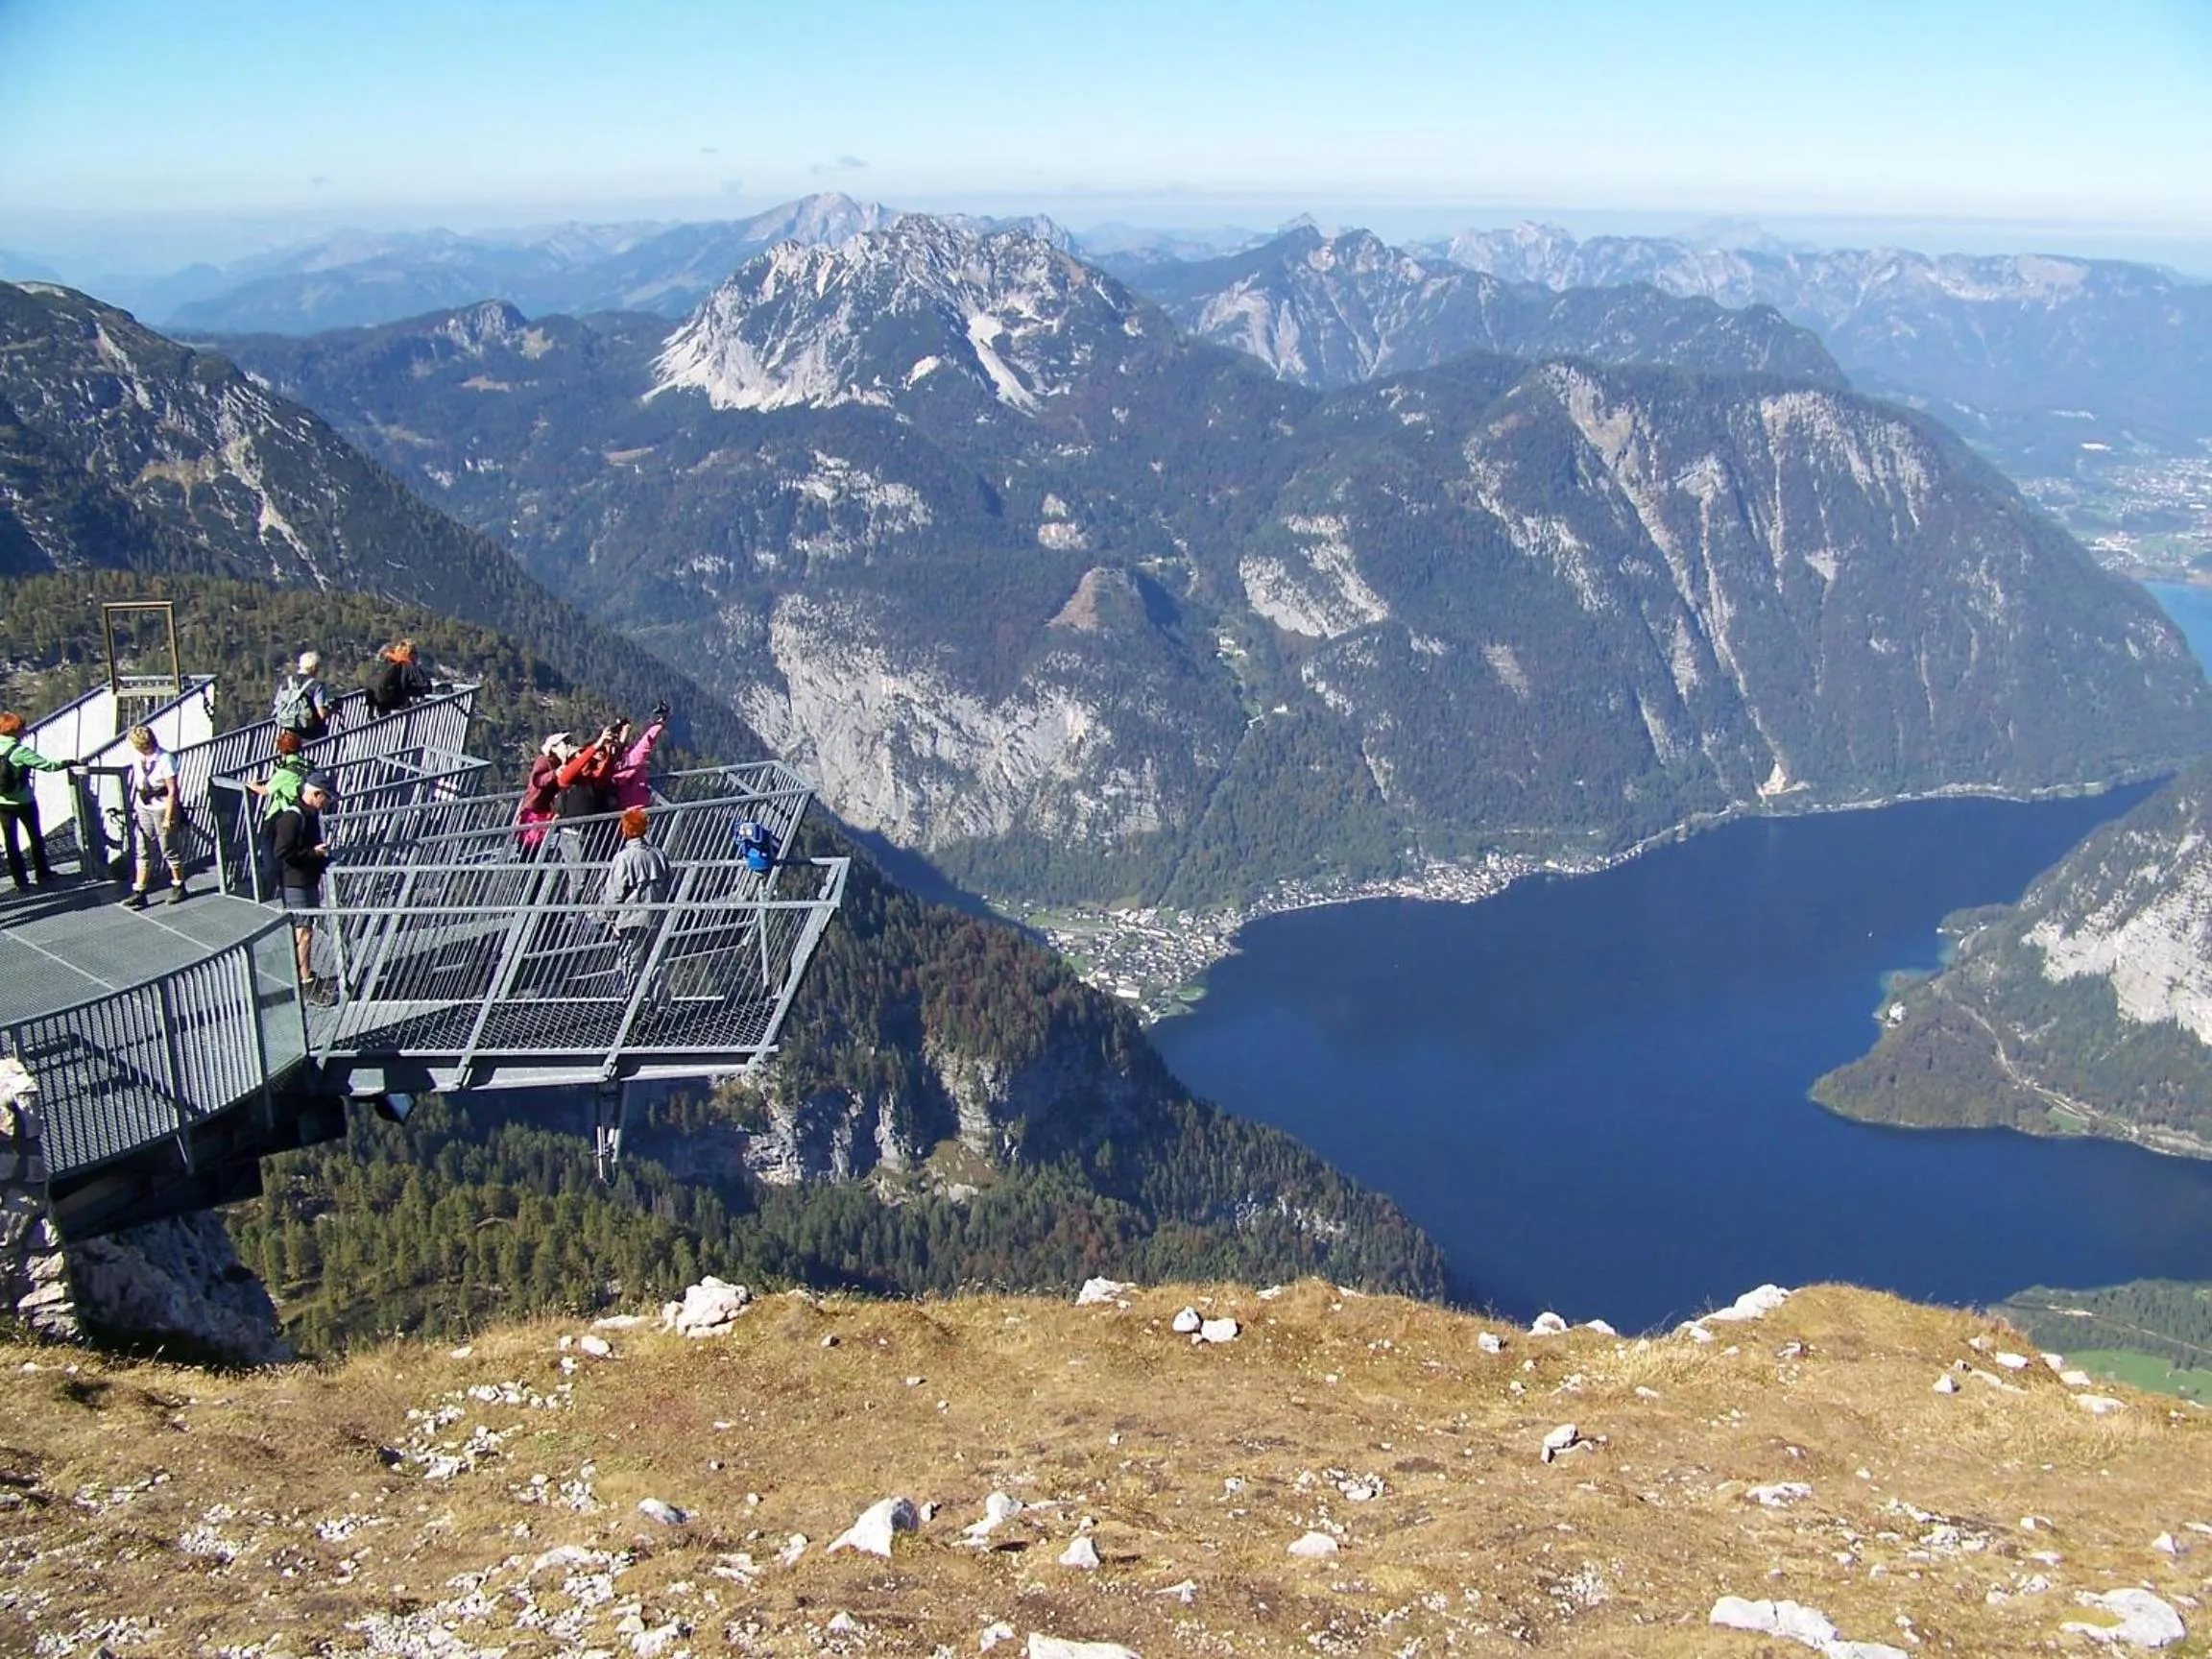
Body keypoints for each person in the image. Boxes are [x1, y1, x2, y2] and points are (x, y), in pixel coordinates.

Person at [266, 771, 335, 1003]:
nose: (326, 803)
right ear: (315, 794)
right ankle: (305, 981)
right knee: (303, 932)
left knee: (306, 930)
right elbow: (282, 853)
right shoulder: (292, 818)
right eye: (325, 797)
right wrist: (313, 853)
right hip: (296, 882)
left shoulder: (308, 815)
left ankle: (305, 973)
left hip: (306, 879)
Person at [600, 805, 673, 1016]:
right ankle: (660, 1004)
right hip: (656, 916)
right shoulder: (658, 854)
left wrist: (608, 916)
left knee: (632, 962)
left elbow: (614, 893)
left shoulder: (623, 858)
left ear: (624, 830)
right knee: (656, 960)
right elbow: (669, 882)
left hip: (631, 919)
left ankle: (635, 1004)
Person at [0, 711, 72, 893]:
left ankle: (21, 881)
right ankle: (43, 873)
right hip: (24, 801)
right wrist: (66, 763)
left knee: (11, 842)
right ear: (15, 730)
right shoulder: (19, 751)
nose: (25, 730)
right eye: (23, 728)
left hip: (2, 802)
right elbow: (48, 766)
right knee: (35, 837)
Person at [121, 726, 187, 908]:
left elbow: (172, 790)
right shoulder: (138, 757)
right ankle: (140, 890)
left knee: (168, 848)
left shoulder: (165, 759)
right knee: (143, 848)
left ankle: (179, 885)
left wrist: (168, 817)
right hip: (144, 805)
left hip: (161, 806)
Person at [515, 732, 571, 853]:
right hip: (535, 813)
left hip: (546, 813)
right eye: (565, 743)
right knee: (531, 848)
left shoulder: (561, 763)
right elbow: (537, 780)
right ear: (554, 747)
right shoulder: (544, 761)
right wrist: (554, 774)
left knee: (541, 848)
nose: (568, 746)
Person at [610, 701, 670, 811]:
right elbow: (646, 743)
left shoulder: (609, 761)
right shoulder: (630, 759)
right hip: (635, 807)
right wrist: (661, 723)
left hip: (616, 809)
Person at [246, 729, 312, 820]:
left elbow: (265, 791)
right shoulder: (307, 766)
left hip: (282, 813)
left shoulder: (286, 771)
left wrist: (252, 786)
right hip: (304, 812)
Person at [272, 651, 332, 741]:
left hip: (289, 733)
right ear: (314, 668)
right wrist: (332, 710)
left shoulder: (287, 682)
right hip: (312, 735)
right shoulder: (316, 686)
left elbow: (277, 704)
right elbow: (322, 714)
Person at [364, 639, 433, 717]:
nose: (417, 656)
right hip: (397, 706)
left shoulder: (386, 662)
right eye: (415, 653)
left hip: (379, 706)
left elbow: (371, 683)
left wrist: (370, 710)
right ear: (410, 654)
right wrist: (413, 690)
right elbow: (426, 687)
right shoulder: (408, 665)